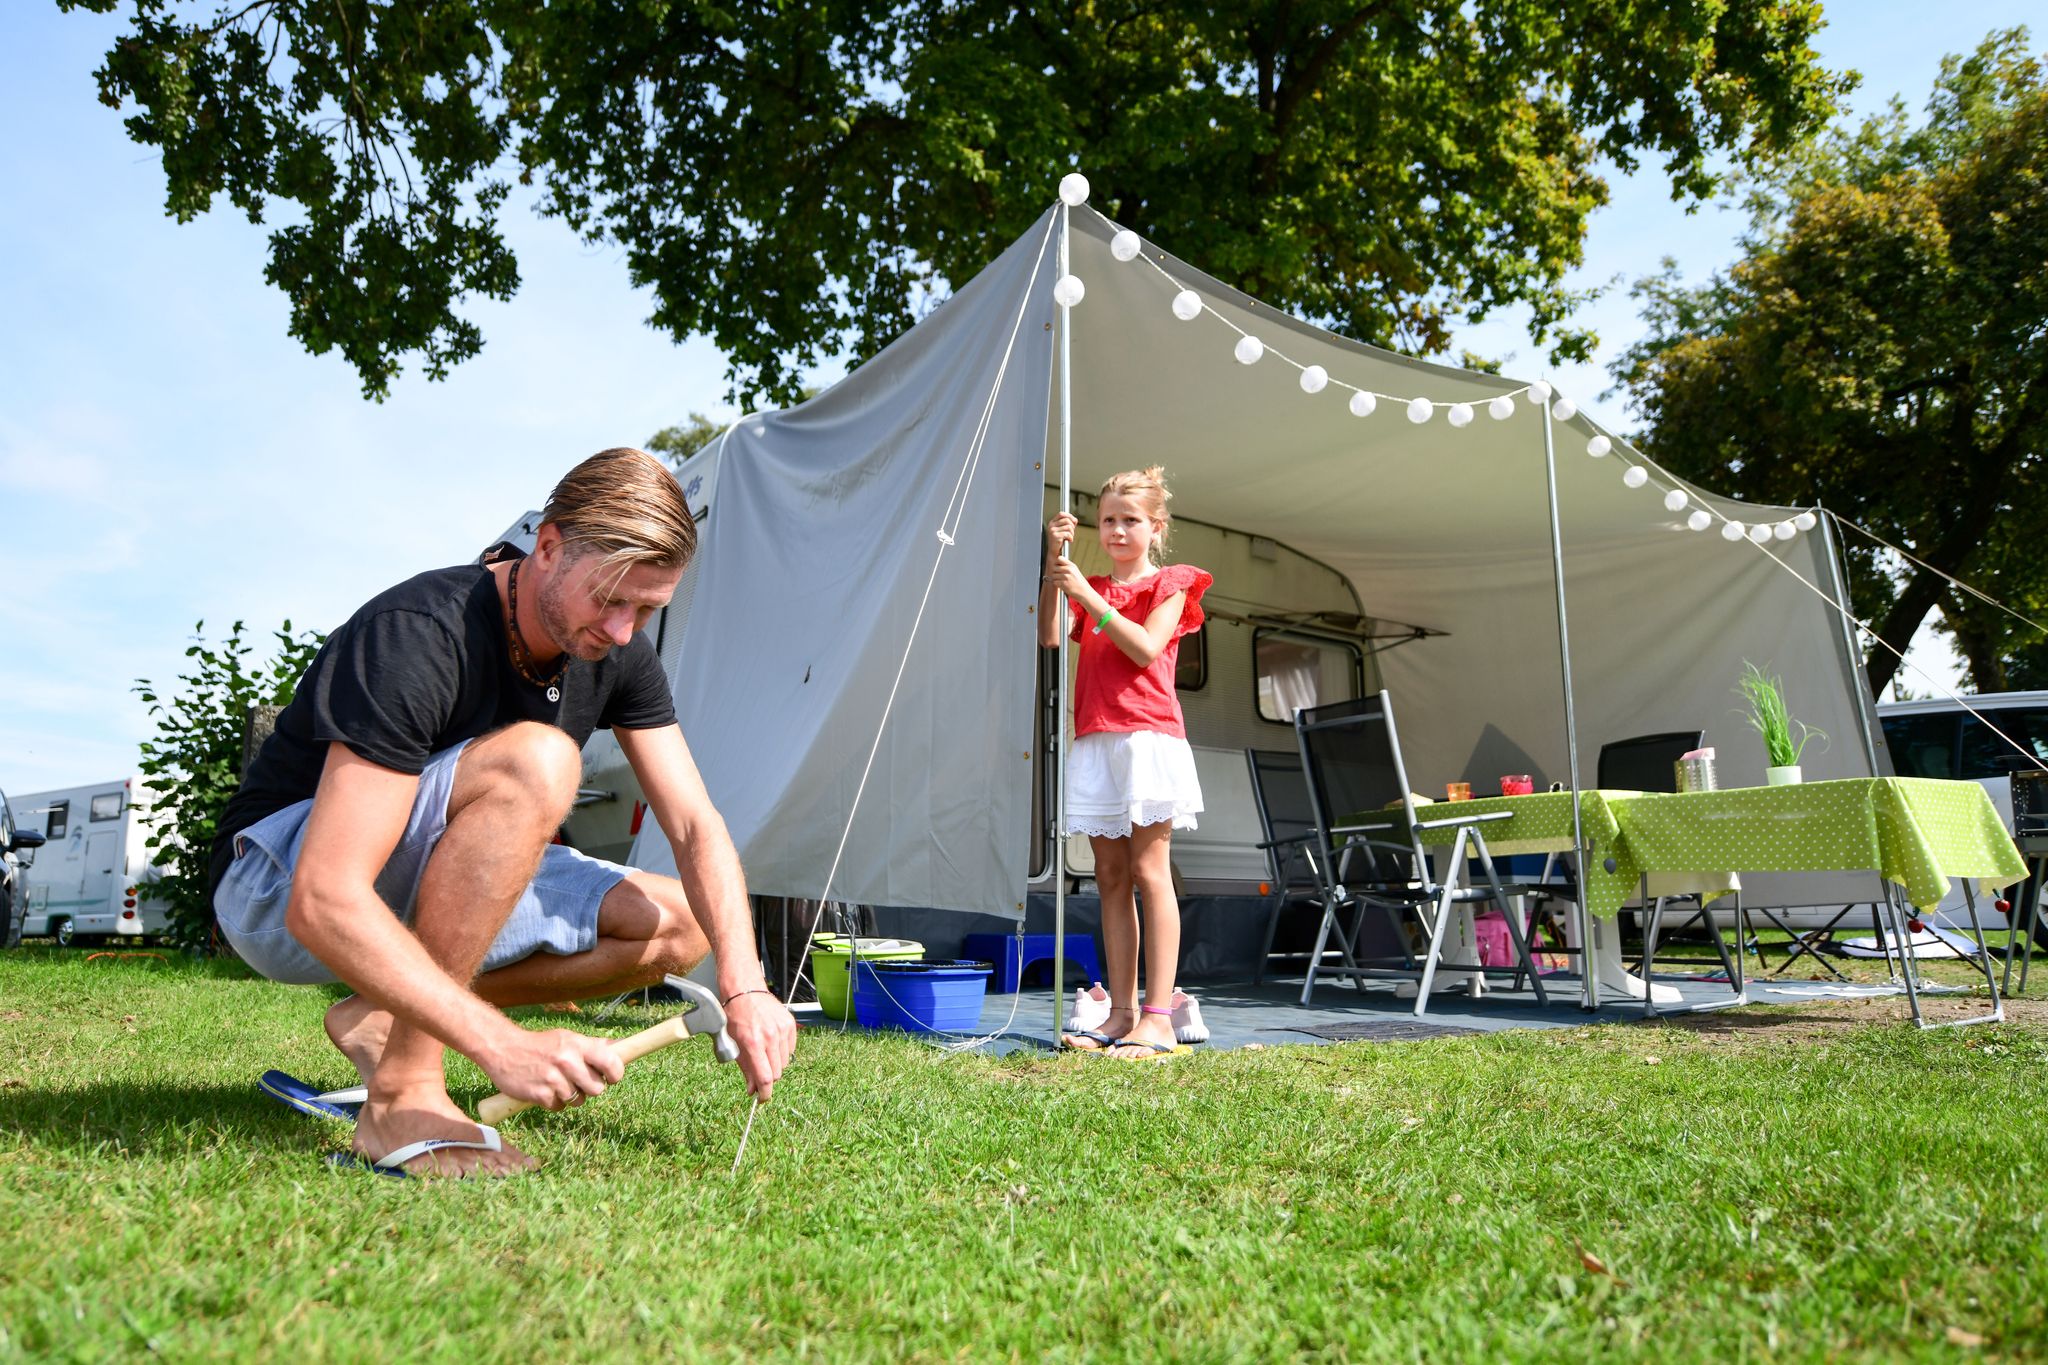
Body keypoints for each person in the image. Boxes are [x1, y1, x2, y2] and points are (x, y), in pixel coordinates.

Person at [213, 447, 796, 1176]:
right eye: (611, 597)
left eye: (648, 609)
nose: (623, 630)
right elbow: (323, 899)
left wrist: (744, 983)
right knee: (541, 761)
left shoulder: (617, 654)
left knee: (678, 925)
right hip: (276, 885)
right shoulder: (419, 631)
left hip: (422, 874)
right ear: (547, 546)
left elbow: (692, 824)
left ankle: (391, 1013)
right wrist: (501, 1043)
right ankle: (402, 1092)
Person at [1038, 467, 1212, 1059]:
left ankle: (1160, 1017)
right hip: (1096, 740)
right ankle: (1121, 1011)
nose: (1116, 530)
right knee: (1108, 878)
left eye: (1129, 520)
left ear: (1155, 527)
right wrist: (1053, 565)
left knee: (1148, 872)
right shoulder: (1088, 586)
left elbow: (1144, 647)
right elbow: (1049, 636)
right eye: (1107, 519)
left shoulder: (1171, 583)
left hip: (1147, 739)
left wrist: (1085, 593)